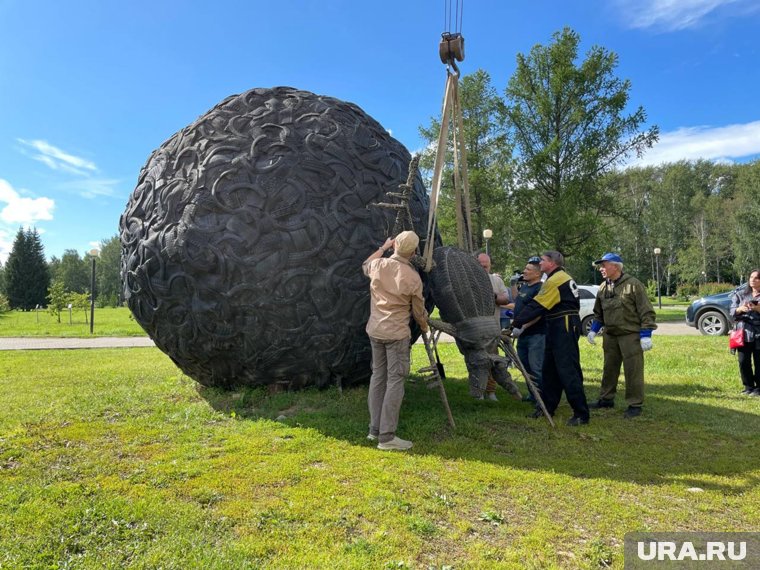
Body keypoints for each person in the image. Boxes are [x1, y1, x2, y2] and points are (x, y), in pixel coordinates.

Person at [362, 230, 428, 451]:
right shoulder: (412, 277)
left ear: (394, 246)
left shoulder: (378, 265)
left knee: (378, 376)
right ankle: (387, 437)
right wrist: (425, 326)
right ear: (414, 252)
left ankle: (374, 430)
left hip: (375, 330)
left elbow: (365, 264)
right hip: (396, 334)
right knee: (395, 380)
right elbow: (419, 311)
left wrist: (383, 248)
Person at [511, 251, 589, 426]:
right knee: (549, 370)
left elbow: (537, 306)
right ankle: (547, 407)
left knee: (568, 370)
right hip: (556, 325)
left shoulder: (555, 280)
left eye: (543, 260)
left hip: (564, 325)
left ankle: (581, 413)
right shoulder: (557, 278)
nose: (540, 263)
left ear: (552, 263)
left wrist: (516, 324)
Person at [586, 252, 657, 419]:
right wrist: (593, 330)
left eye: (604, 265)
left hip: (629, 334)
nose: (600, 269)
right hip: (610, 335)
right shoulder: (603, 287)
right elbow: (599, 313)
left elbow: (646, 311)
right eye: (600, 266)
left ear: (615, 266)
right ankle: (606, 399)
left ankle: (635, 404)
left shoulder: (633, 285)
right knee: (609, 368)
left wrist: (646, 334)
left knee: (633, 370)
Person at [477, 252, 512, 401]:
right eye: (481, 265)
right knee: (476, 362)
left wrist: (494, 296)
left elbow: (506, 299)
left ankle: (491, 391)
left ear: (490, 266)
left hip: (492, 330)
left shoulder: (496, 281)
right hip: (474, 331)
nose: (484, 268)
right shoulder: (468, 282)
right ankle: (478, 391)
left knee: (492, 361)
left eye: (486, 266)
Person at [512, 257, 546, 406]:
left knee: (535, 367)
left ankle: (542, 400)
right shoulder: (525, 286)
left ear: (537, 274)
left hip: (536, 334)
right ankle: (533, 395)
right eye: (524, 269)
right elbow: (516, 301)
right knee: (525, 367)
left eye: (528, 270)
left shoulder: (540, 288)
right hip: (523, 334)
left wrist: (524, 326)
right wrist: (513, 284)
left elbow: (538, 313)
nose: (524, 271)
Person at [729, 269, 760, 397]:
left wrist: (758, 309)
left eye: (756, 278)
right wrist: (740, 309)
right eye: (751, 277)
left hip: (759, 332)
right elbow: (731, 311)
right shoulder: (741, 294)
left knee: (759, 361)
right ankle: (748, 386)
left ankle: (759, 388)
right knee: (743, 361)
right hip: (743, 332)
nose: (752, 280)